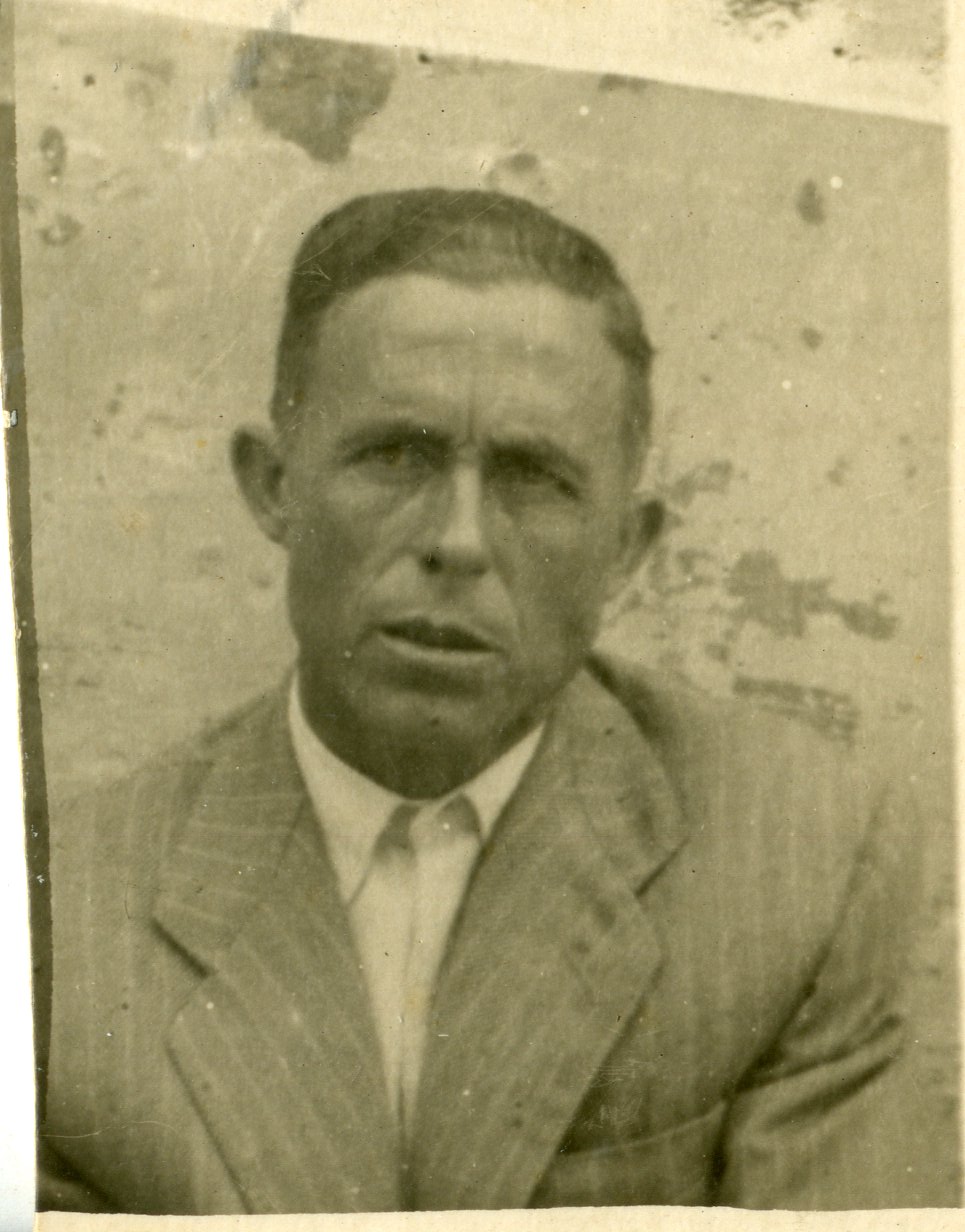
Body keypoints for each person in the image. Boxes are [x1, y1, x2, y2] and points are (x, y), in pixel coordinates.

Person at [40, 188, 926, 1213]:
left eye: (531, 476)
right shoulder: (60, 919)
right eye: (394, 455)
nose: (456, 540)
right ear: (273, 485)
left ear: (626, 548)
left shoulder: (801, 857)